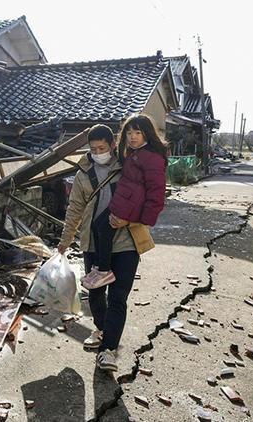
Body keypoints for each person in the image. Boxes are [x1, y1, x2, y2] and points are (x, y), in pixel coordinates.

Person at [56, 123, 157, 371]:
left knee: (118, 298)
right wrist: (65, 240)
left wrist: (129, 220)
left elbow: (147, 200)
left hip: (126, 243)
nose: (98, 152)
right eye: (93, 149)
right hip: (93, 243)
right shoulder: (82, 174)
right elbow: (75, 210)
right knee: (96, 295)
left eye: (102, 147)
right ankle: (102, 330)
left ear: (113, 144)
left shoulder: (129, 168)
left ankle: (108, 350)